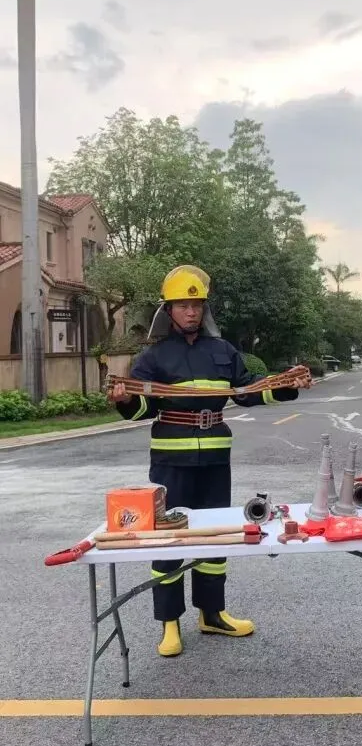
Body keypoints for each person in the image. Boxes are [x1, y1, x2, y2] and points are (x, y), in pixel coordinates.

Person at [109, 265, 311, 658]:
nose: (191, 311)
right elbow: (143, 409)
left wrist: (285, 387)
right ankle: (169, 623)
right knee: (169, 539)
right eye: (183, 305)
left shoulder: (223, 351)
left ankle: (212, 613)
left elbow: (247, 393)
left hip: (216, 458)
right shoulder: (154, 357)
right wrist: (126, 400)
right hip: (171, 462)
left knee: (215, 537)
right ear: (169, 310)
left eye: (197, 305)